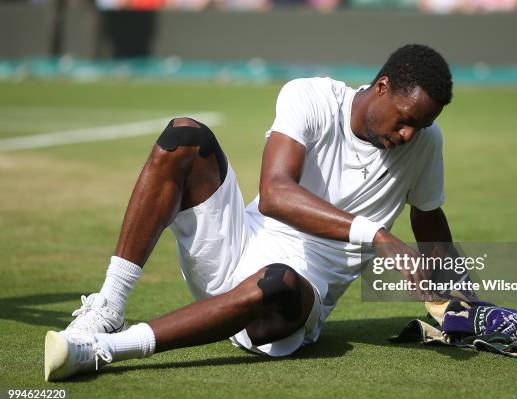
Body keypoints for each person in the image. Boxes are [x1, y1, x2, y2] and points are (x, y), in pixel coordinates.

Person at [44, 44, 455, 381]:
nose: (408, 135)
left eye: (420, 126)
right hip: (233, 249)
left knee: (280, 280)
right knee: (185, 134)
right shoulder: (309, 97)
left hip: (288, 302)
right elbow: (275, 193)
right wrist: (378, 235)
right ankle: (107, 308)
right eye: (406, 121)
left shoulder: (425, 143)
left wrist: (463, 298)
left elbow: (429, 219)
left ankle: (103, 349)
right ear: (382, 87)